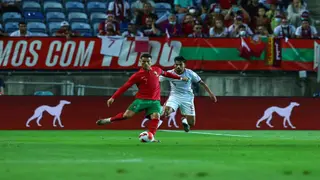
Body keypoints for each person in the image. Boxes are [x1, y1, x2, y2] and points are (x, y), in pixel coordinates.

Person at [96, 54, 189, 141]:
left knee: (156, 117)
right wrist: (113, 97)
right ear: (140, 62)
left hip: (155, 101)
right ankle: (108, 120)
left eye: (148, 61)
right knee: (127, 115)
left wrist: (180, 78)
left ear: (151, 62)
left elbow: (167, 74)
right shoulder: (137, 75)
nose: (146, 63)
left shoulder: (157, 70)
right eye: (144, 62)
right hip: (141, 100)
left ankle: (151, 136)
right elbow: (125, 87)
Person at [159, 56, 217, 132]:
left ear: (184, 65)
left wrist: (211, 94)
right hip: (174, 96)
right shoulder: (169, 73)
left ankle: (185, 120)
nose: (178, 67)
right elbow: (157, 80)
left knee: (191, 123)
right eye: (176, 65)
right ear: (174, 65)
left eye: (180, 65)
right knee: (166, 112)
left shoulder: (190, 73)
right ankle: (162, 111)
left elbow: (202, 83)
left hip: (187, 97)